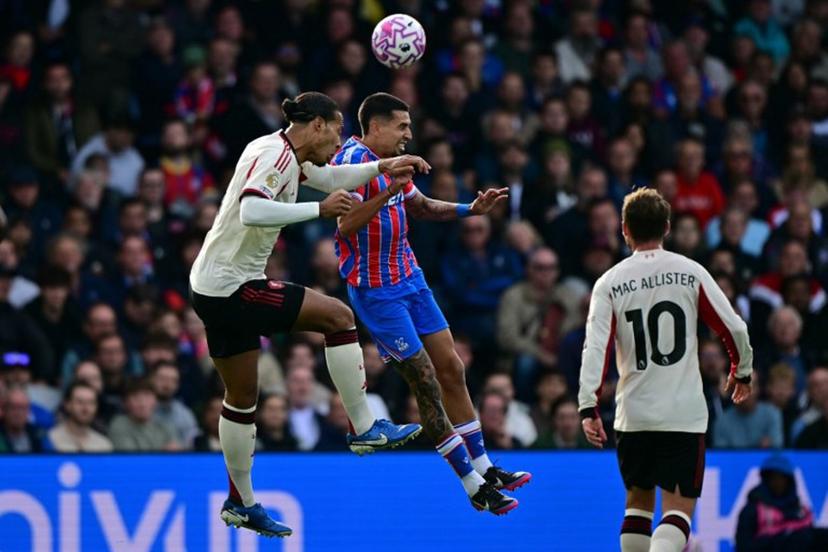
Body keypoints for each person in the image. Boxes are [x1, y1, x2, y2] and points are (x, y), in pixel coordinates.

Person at [188, 91, 426, 537]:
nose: (340, 140)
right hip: (235, 287)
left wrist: (382, 166)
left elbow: (333, 175)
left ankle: (242, 502)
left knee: (241, 400)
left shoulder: (283, 152)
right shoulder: (275, 158)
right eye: (336, 130)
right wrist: (320, 209)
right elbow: (252, 208)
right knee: (338, 317)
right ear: (316, 125)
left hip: (208, 286)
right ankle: (364, 426)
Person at [333, 93, 529, 515]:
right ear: (377, 127)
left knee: (452, 369)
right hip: (375, 291)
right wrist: (389, 189)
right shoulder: (349, 165)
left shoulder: (395, 166)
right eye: (402, 126)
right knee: (425, 380)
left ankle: (485, 465)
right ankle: (472, 484)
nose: (409, 134)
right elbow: (345, 226)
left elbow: (418, 205)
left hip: (411, 279)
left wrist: (469, 209)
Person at [579, 189, 753, 552]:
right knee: (677, 513)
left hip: (634, 415)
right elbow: (733, 327)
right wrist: (741, 370)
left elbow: (596, 348)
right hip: (682, 415)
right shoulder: (690, 272)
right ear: (668, 228)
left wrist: (587, 406)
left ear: (624, 229)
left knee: (637, 506)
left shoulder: (609, 282)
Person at [735, 454, 828, 551]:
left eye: (782, 478)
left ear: (789, 481)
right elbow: (743, 547)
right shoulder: (752, 511)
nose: (777, 483)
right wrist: (783, 539)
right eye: (773, 478)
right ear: (766, 480)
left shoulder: (801, 511)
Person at [46, 381, 113, 453]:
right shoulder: (52, 439)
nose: (85, 408)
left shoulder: (104, 446)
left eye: (91, 403)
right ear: (67, 405)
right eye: (80, 402)